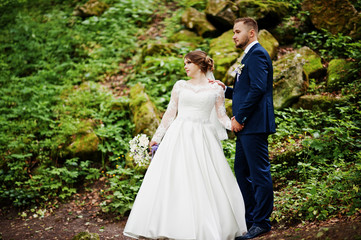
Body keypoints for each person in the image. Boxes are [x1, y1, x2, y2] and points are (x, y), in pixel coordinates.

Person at [123, 50, 247, 239]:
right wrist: (157, 137)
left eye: (188, 63)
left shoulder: (216, 89)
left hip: (203, 138)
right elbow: (170, 114)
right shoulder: (180, 86)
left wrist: (234, 124)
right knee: (175, 178)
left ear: (199, 64)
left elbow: (221, 116)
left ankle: (203, 227)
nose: (185, 67)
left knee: (202, 180)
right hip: (178, 135)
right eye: (185, 64)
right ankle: (168, 225)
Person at [216, 17, 276, 239]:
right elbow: (247, 88)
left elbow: (259, 89)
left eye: (237, 31)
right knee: (242, 173)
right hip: (246, 127)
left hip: (253, 124)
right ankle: (250, 220)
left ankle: (262, 222)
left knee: (259, 174)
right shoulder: (248, 56)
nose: (233, 35)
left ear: (251, 33)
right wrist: (226, 90)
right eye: (233, 31)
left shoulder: (258, 53)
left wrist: (239, 117)